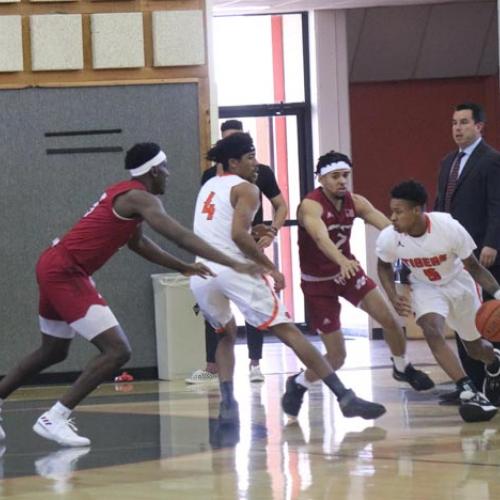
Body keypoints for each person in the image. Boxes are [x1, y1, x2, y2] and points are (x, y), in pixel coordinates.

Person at [0, 142, 259, 447]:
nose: (169, 174)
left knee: (54, 351)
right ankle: (54, 417)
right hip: (65, 272)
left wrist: (182, 267)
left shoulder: (126, 196)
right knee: (117, 350)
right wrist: (231, 261)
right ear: (153, 171)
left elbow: (138, 244)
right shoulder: (140, 198)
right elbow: (180, 234)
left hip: (54, 264)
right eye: (165, 169)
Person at [190, 132, 387, 424]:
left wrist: (253, 235)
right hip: (233, 269)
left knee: (226, 335)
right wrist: (270, 268)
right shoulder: (247, 189)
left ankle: (228, 402)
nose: (256, 163)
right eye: (250, 157)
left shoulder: (209, 185)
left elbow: (220, 228)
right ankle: (343, 396)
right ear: (233, 162)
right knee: (290, 332)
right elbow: (237, 235)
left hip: (202, 274)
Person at [281, 151, 434, 419]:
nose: (342, 181)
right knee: (337, 357)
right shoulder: (310, 205)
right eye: (335, 176)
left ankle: (401, 366)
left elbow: (387, 226)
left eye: (345, 176)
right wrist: (341, 259)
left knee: (389, 319)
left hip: (348, 273)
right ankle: (298, 383)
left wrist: (411, 244)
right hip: (319, 283)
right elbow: (320, 237)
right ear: (321, 179)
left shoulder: (356, 201)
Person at [377, 180, 500, 422]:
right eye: (392, 211)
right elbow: (383, 266)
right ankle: (467, 389)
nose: (392, 217)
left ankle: (495, 362)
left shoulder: (448, 227)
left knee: (476, 349)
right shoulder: (390, 237)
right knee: (431, 330)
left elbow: (474, 267)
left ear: (416, 210)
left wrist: (497, 295)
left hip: (460, 282)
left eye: (398, 212)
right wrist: (393, 296)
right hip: (426, 286)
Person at [186, 119, 288, 384]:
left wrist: (271, 232)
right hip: (221, 251)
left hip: (247, 247)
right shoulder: (211, 178)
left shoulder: (260, 173)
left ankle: (255, 363)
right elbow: (217, 218)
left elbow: (281, 206)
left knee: (256, 310)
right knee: (220, 321)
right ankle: (213, 367)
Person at [435, 102, 500, 397]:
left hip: (483, 256)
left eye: (463, 122)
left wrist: (491, 243)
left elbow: (496, 204)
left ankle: (494, 383)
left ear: (479, 127)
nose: (457, 128)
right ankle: (470, 385)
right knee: (463, 319)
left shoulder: (491, 160)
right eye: (453, 122)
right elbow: (441, 207)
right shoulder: (448, 161)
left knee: (491, 320)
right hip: (453, 256)